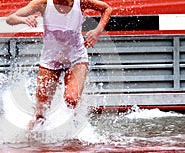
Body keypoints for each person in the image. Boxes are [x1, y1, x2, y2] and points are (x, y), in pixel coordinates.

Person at [6, 0, 112, 129]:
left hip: (76, 58)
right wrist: (24, 20)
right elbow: (10, 19)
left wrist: (97, 31)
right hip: (50, 60)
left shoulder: (81, 2)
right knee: (40, 112)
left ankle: (74, 128)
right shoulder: (43, 3)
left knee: (71, 99)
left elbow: (107, 9)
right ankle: (32, 137)